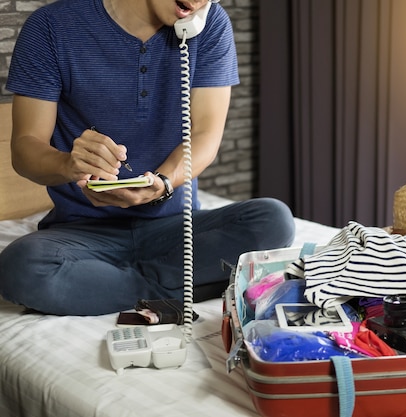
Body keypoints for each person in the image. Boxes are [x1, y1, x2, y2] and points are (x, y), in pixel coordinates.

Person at [0, 0, 295, 316]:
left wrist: (165, 182)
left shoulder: (210, 24)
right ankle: (182, 286)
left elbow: (206, 135)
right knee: (19, 267)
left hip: (174, 228)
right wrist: (68, 164)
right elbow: (25, 148)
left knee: (273, 220)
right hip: (82, 233)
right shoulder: (51, 26)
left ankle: (116, 287)